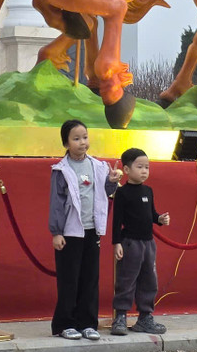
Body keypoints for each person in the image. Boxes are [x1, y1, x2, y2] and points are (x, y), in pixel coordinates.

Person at [49, 118, 122, 340]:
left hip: (92, 231)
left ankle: (88, 323)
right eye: (76, 139)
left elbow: (105, 193)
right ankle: (65, 324)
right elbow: (57, 203)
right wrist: (57, 232)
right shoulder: (61, 170)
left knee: (90, 279)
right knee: (69, 279)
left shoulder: (98, 166)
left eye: (85, 137)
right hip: (70, 232)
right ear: (66, 143)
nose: (82, 142)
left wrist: (111, 181)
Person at [110, 147, 170, 336]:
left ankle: (145, 317)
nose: (144, 171)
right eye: (140, 167)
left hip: (148, 243)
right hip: (130, 243)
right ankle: (120, 316)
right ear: (127, 170)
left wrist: (159, 219)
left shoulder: (148, 191)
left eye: (147, 167)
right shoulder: (122, 193)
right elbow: (117, 221)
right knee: (126, 280)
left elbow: (151, 213)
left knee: (149, 280)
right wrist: (117, 243)